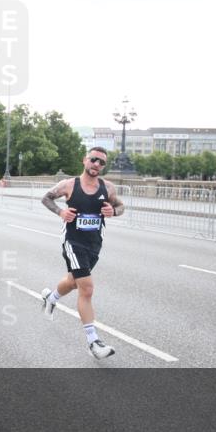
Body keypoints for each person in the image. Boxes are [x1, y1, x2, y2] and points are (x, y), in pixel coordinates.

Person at [40, 146, 125, 360]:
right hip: (73, 243)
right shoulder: (69, 185)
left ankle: (51, 298)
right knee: (86, 289)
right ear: (84, 160)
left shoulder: (108, 187)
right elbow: (46, 198)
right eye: (94, 160)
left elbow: (121, 206)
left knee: (72, 281)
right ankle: (93, 341)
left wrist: (113, 211)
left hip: (94, 245)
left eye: (101, 162)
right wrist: (61, 211)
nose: (97, 164)